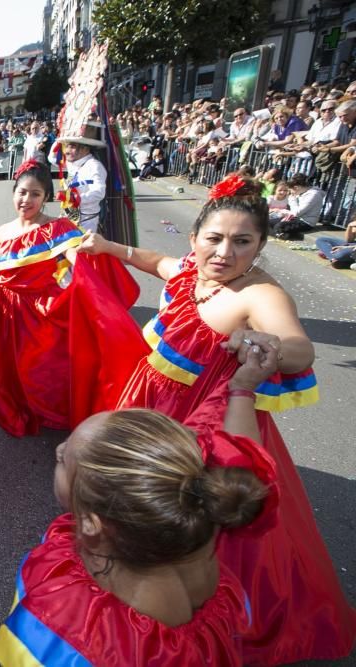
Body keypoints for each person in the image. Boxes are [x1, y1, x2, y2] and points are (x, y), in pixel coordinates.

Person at [78, 173, 356, 664]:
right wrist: (107, 247)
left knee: (202, 528)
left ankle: (187, 628)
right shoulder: (191, 270)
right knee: (141, 509)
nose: (225, 252)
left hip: (200, 430)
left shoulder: (260, 295)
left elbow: (297, 346)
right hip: (150, 412)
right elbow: (158, 262)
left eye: (242, 242)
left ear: (261, 246)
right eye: (215, 238)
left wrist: (271, 346)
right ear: (195, 239)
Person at [0, 353, 278, 666]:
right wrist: (242, 389)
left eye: (63, 460)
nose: (58, 449)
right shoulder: (205, 497)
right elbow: (242, 460)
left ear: (91, 524)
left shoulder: (81, 630)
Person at [0, 161, 144, 436]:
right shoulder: (4, 230)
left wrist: (87, 288)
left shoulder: (58, 228)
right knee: (8, 367)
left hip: (41, 315)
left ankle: (53, 415)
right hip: (5, 312)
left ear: (46, 198)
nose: (26, 200)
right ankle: (25, 409)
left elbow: (80, 264)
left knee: (41, 372)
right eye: (22, 192)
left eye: (35, 194)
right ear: (14, 192)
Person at [57, 124, 107, 232]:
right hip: (68, 218)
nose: (67, 151)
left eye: (72, 146)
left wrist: (76, 198)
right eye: (67, 146)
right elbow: (51, 157)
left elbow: (99, 192)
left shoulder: (94, 166)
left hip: (86, 222)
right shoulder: (73, 163)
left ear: (85, 148)